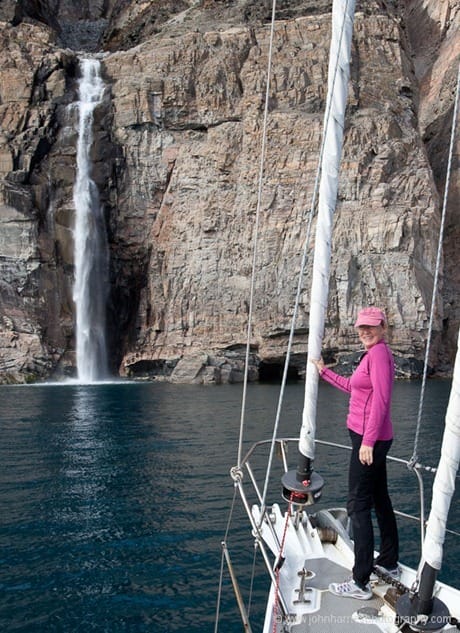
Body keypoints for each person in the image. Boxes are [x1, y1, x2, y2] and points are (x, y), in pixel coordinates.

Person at [311, 306, 399, 600]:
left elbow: (383, 401)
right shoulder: (372, 354)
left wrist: (368, 442)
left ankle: (360, 582)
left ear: (383, 327)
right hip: (369, 437)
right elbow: (355, 388)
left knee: (357, 506)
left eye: (371, 327)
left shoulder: (379, 355)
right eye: (361, 327)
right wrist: (325, 373)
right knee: (379, 499)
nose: (365, 331)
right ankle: (388, 561)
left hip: (368, 439)